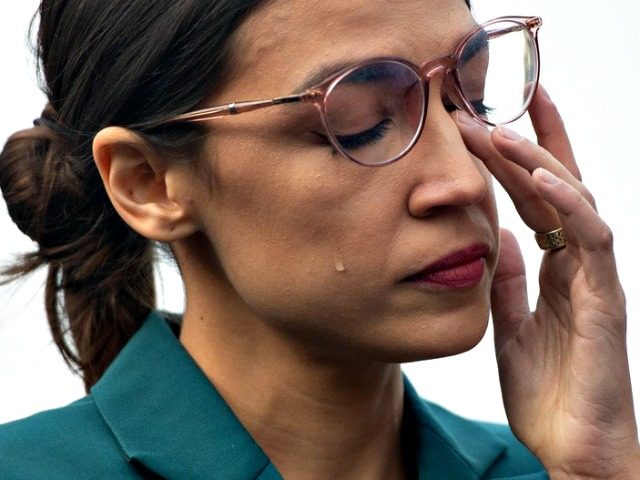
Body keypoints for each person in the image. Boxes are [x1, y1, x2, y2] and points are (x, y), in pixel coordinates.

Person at [0, 0, 638, 478]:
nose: (463, 180)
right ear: (148, 184)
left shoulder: (560, 469)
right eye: (359, 124)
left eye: (466, 99)